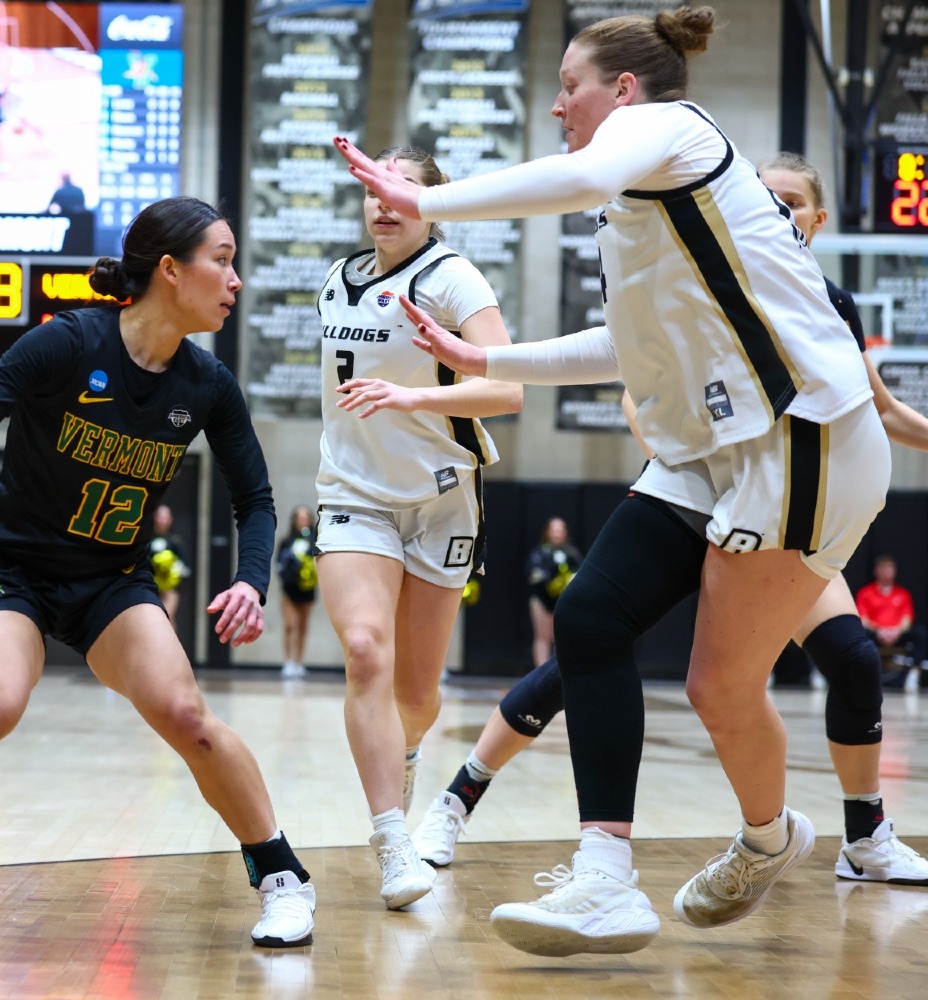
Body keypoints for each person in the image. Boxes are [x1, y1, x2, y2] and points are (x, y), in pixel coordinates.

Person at [338, 6, 889, 955]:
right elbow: (620, 349)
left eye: (569, 87)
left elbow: (578, 170)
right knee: (590, 619)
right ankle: (605, 880)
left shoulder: (673, 130)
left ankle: (767, 839)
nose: (557, 107)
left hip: (804, 438)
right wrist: (482, 366)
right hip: (712, 449)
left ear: (623, 91)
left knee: (719, 688)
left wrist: (430, 199)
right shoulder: (633, 210)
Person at [0, 197, 317, 948]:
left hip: (112, 582)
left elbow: (256, 499)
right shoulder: (68, 343)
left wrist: (249, 579)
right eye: (223, 258)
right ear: (171, 271)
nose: (236, 279)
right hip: (14, 568)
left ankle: (283, 878)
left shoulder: (207, 385)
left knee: (188, 719)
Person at [410, 152, 928, 896]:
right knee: (584, 643)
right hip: (698, 492)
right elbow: (633, 383)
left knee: (851, 658)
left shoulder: (830, 306)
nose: (779, 210)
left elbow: (876, 410)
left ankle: (865, 835)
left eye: (794, 201)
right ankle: (459, 798)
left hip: (781, 504)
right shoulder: (708, 273)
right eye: (767, 197)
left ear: (817, 221)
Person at [315, 144, 522, 912]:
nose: (383, 201)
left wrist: (411, 402)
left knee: (417, 691)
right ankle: (391, 840)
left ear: (435, 203)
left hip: (440, 497)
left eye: (401, 187)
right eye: (372, 187)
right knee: (366, 651)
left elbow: (505, 391)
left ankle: (405, 751)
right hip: (353, 494)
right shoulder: (335, 279)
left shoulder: (452, 278)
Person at [525, 517, 581, 665]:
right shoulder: (540, 553)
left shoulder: (571, 554)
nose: (557, 534)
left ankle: (558, 674)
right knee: (542, 637)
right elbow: (531, 574)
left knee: (560, 638)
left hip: (562, 601)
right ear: (548, 532)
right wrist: (547, 576)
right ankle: (540, 673)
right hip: (541, 599)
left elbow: (580, 573)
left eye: (560, 530)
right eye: (554, 530)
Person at [855, 554, 924, 669]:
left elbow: (907, 619)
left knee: (920, 634)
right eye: (883, 569)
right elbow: (863, 619)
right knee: (859, 634)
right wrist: (879, 630)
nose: (887, 572)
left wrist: (895, 631)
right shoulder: (865, 593)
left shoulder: (903, 594)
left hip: (897, 634)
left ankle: (914, 672)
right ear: (876, 571)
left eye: (889, 568)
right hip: (876, 634)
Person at [275, 505, 318, 679]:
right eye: (299, 517)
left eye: (305, 517)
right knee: (289, 624)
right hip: (289, 589)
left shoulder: (314, 541)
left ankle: (299, 662)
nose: (302, 521)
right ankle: (288, 662)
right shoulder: (286, 541)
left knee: (303, 626)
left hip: (307, 589)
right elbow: (279, 564)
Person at [147, 503, 190, 633]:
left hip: (170, 588)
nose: (163, 520)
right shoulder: (148, 541)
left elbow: (185, 566)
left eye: (166, 517)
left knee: (167, 616)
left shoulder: (175, 541)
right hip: (152, 587)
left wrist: (174, 570)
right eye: (160, 517)